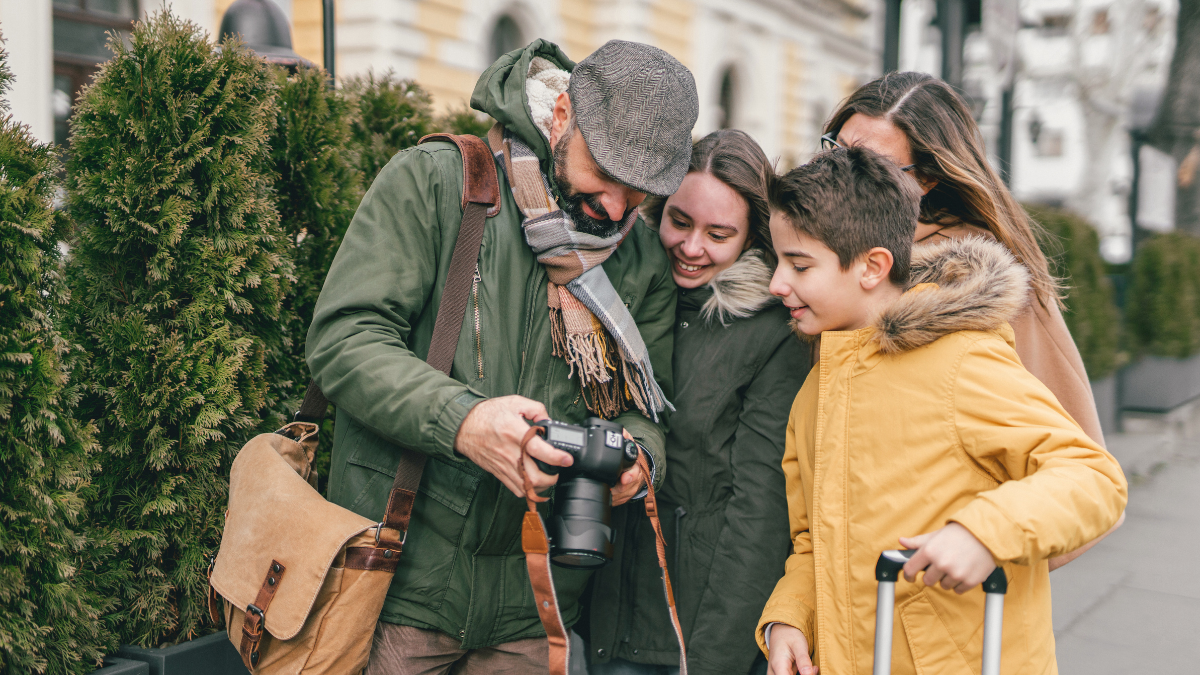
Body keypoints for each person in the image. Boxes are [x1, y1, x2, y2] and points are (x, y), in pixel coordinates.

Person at [306, 39, 698, 673]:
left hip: (537, 611)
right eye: (607, 174)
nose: (618, 209)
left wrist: (637, 460)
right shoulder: (436, 182)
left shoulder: (642, 257)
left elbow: (645, 410)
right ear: (563, 114)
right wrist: (464, 423)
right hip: (397, 590)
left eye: (643, 192)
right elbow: (344, 340)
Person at [756, 146, 1127, 675]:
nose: (777, 283)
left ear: (872, 267)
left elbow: (1094, 478)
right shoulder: (815, 391)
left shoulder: (962, 360)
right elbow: (816, 542)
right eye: (778, 261)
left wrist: (983, 532)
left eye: (798, 265)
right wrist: (791, 617)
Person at [821, 71, 1123, 569]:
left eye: (873, 165)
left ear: (928, 178)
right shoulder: (797, 252)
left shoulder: (985, 285)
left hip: (920, 589)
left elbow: (1084, 467)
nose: (844, 174)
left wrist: (983, 542)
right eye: (837, 150)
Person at [585, 130, 810, 675]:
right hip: (601, 615)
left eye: (718, 233)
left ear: (752, 237)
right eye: (679, 222)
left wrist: (713, 659)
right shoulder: (611, 296)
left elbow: (759, 513)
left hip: (693, 635)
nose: (691, 247)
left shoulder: (772, 334)